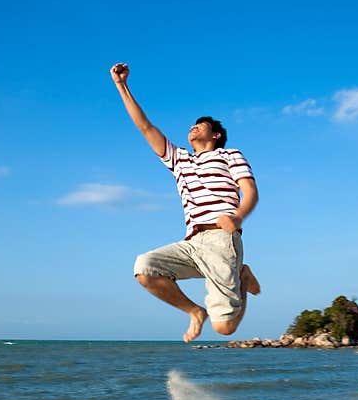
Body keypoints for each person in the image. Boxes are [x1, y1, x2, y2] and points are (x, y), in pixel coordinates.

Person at [110, 62, 261, 343]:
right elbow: (145, 126)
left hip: (220, 238)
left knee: (225, 330)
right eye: (191, 126)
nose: (193, 128)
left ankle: (243, 277)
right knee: (144, 268)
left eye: (200, 125)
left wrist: (238, 218)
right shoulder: (179, 160)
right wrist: (121, 85)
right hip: (191, 243)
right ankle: (194, 312)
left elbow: (250, 190)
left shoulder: (230, 155)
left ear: (215, 135)